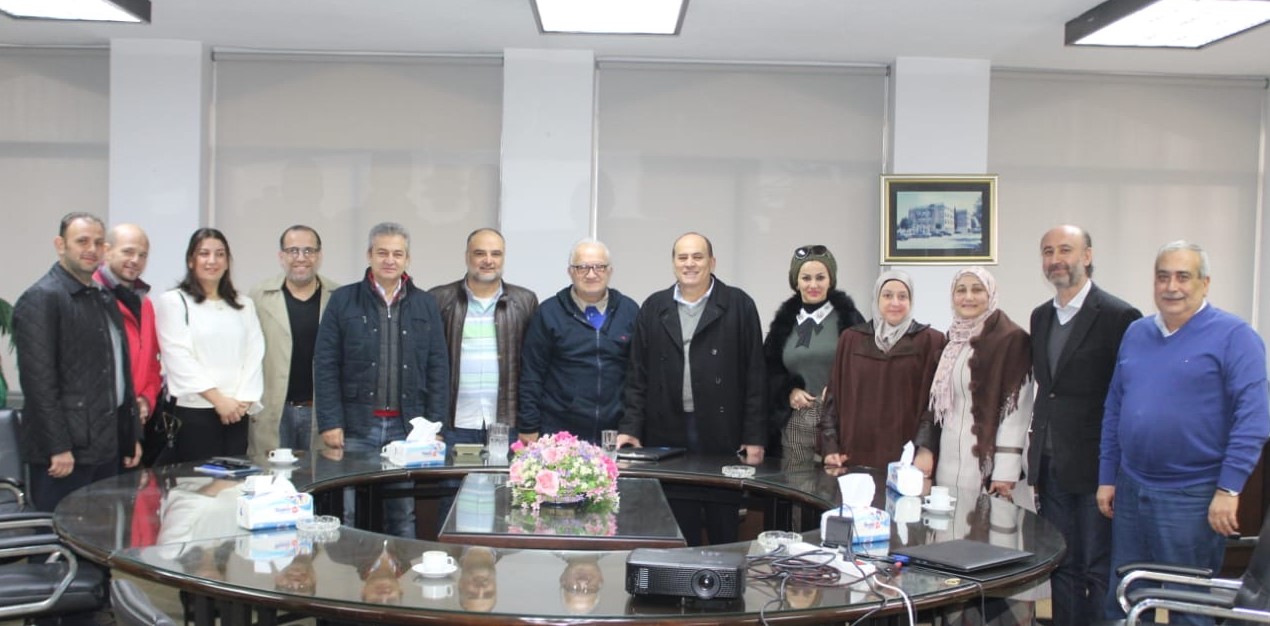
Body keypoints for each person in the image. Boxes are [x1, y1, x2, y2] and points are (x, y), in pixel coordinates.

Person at [1099, 241, 1270, 624]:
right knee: (1124, 598)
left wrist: (1229, 489)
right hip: (1131, 489)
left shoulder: (1235, 336)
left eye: (1183, 276)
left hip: (1192, 497)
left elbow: (1254, 419)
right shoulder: (1136, 333)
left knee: (1189, 607)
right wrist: (1108, 477)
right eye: (1163, 277)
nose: (1171, 286)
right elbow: (1115, 407)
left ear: (1205, 283)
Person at [618, 232, 766, 545]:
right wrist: (631, 428)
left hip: (722, 431)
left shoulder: (738, 304)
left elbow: (756, 375)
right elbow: (637, 375)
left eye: (697, 257)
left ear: (712, 262)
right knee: (678, 531)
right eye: (682, 257)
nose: (690, 264)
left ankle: (723, 578)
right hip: (667, 430)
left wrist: (754, 436)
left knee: (723, 529)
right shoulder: (654, 307)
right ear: (673, 263)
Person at [1028, 225, 1141, 626]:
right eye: (1048, 252)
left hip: (1096, 468)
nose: (1055, 259)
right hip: (1050, 464)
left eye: (1065, 250)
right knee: (1061, 564)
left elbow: (1126, 396)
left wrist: (1114, 470)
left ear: (1087, 256)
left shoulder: (1119, 316)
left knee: (1097, 568)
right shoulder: (1040, 316)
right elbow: (1049, 391)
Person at [315, 222, 449, 538]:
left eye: (397, 254)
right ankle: (350, 570)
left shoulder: (425, 304)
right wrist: (330, 422)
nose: (390, 260)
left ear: (407, 259)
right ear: (369, 255)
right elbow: (325, 365)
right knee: (347, 512)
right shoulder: (343, 300)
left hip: (407, 429)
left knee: (402, 513)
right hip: (355, 426)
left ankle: (402, 572)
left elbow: (438, 367)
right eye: (382, 253)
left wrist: (434, 426)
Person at [14, 212, 140, 512]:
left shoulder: (103, 297)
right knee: (60, 536)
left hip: (105, 447)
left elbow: (118, 374)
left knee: (100, 534)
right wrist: (57, 446)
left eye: (98, 242)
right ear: (61, 245)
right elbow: (38, 383)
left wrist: (129, 436)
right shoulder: (41, 298)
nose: (91, 249)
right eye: (82, 241)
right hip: (65, 455)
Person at [916, 266, 1033, 507]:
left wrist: (1006, 470)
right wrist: (926, 449)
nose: (968, 297)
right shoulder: (952, 342)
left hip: (989, 468)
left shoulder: (1012, 339)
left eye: (977, 290)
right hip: (948, 461)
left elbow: (1017, 411)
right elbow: (937, 406)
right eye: (961, 290)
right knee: (948, 524)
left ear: (991, 294)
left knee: (987, 526)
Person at [155, 228, 265, 463]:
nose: (212, 260)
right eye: (204, 253)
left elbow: (255, 353)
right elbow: (178, 357)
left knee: (234, 481)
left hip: (237, 413)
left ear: (227, 262)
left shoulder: (244, 304)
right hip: (194, 412)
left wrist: (242, 402)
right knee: (197, 482)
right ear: (191, 260)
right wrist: (219, 401)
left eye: (220, 254)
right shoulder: (174, 301)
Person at [819, 270, 944, 471]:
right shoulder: (851, 339)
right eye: (887, 295)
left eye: (902, 296)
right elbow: (833, 398)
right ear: (877, 299)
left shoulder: (931, 341)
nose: (895, 302)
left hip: (907, 458)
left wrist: (925, 449)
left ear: (911, 301)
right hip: (854, 453)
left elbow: (935, 404)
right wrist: (830, 446)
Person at [518, 239, 638, 444]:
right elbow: (532, 373)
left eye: (599, 267)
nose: (591, 274)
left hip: (613, 434)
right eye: (582, 267)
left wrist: (632, 426)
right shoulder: (549, 313)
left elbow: (638, 377)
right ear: (570, 272)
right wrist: (528, 425)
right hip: (560, 433)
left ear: (610, 271)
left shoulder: (629, 311)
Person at [429, 228, 538, 447]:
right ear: (467, 256)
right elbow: (427, 366)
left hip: (508, 426)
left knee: (506, 473)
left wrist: (529, 423)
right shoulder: (438, 299)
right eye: (480, 253)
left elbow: (533, 368)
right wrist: (432, 425)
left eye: (496, 254)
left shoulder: (525, 301)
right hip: (452, 426)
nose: (488, 260)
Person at [763, 244, 864, 465]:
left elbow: (863, 370)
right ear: (796, 282)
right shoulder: (783, 323)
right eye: (806, 278)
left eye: (820, 277)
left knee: (833, 482)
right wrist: (788, 391)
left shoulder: (850, 319)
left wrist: (838, 390)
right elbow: (769, 369)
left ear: (831, 280)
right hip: (795, 425)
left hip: (838, 423)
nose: (813, 285)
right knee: (797, 482)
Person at [249, 225, 340, 454]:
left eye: (308, 250)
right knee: (270, 474)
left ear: (319, 255)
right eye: (293, 251)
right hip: (274, 411)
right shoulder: (259, 296)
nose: (301, 258)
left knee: (320, 474)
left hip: (319, 414)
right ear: (281, 256)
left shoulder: (338, 297)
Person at [94, 224, 162, 431]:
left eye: (142, 255)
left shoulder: (145, 304)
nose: (135, 260)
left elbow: (152, 363)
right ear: (107, 251)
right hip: (97, 420)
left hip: (133, 418)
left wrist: (146, 399)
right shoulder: (91, 296)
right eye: (128, 252)